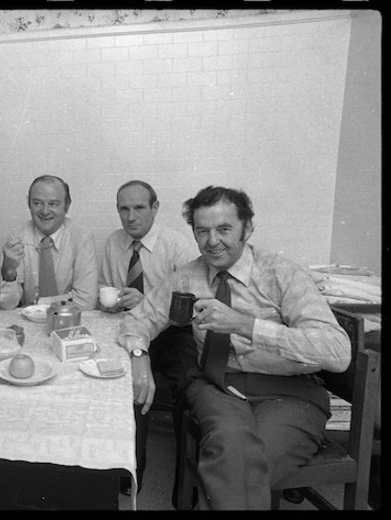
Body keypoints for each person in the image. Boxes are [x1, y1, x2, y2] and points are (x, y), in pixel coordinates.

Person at [117, 185, 351, 510]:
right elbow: (137, 320)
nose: (212, 241)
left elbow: (338, 352)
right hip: (219, 387)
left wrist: (246, 325)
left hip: (290, 394)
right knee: (232, 451)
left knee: (248, 464)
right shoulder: (188, 277)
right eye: (202, 231)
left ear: (248, 228)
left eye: (224, 229)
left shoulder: (282, 275)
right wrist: (140, 356)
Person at [99, 180, 198, 495]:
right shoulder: (114, 243)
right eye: (124, 209)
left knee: (189, 385)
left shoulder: (178, 247)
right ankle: (130, 477)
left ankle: (187, 488)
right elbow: (107, 291)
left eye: (139, 207)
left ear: (155, 208)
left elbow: (189, 309)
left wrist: (146, 304)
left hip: (173, 331)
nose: (131, 217)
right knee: (123, 384)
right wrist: (115, 303)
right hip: (130, 329)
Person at [0, 175, 97, 310]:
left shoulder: (81, 237)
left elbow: (86, 301)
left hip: (68, 320)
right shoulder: (17, 236)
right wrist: (8, 271)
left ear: (66, 206)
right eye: (37, 203)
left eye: (53, 204)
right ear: (29, 205)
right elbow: (7, 305)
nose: (44, 211)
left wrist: (37, 304)